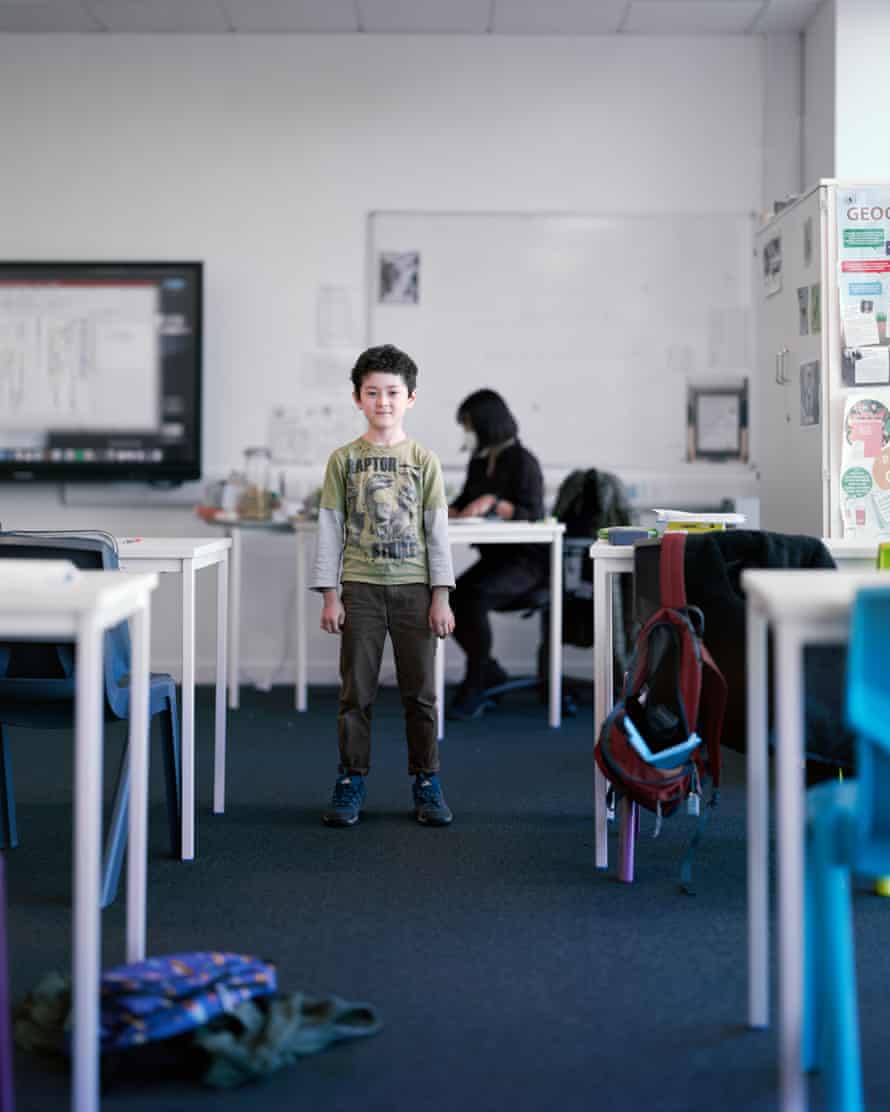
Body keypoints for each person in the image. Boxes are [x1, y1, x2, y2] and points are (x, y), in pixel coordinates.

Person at [310, 344, 456, 828]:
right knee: (357, 692)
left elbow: (437, 532)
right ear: (357, 398)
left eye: (393, 392)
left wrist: (441, 595)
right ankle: (351, 779)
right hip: (362, 589)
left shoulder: (424, 460)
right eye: (372, 392)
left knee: (421, 694)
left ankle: (427, 781)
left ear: (411, 397)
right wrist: (330, 594)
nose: (383, 402)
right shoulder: (344, 461)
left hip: (415, 589)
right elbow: (331, 528)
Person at [448, 389, 548, 720]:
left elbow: (533, 513)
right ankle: (487, 668)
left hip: (527, 563)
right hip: (495, 560)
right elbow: (463, 502)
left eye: (469, 425)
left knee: (472, 597)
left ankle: (475, 680)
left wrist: (495, 503)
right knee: (449, 597)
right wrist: (439, 509)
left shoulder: (524, 461)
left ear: (486, 425)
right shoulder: (478, 461)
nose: (467, 432)